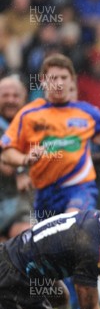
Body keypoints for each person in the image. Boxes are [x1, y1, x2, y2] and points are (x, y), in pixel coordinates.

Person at [0, 54, 100, 309]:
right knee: (55, 253)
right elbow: (8, 151)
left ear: (72, 81)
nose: (59, 83)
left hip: (79, 189)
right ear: (43, 81)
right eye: (53, 78)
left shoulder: (86, 112)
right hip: (44, 196)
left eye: (64, 78)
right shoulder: (29, 114)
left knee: (78, 238)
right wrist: (25, 158)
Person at [0, 75, 32, 242]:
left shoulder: (34, 126)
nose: (10, 100)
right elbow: (6, 167)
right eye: (5, 95)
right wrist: (20, 169)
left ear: (24, 98)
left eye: (15, 95)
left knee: (29, 240)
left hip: (22, 211)